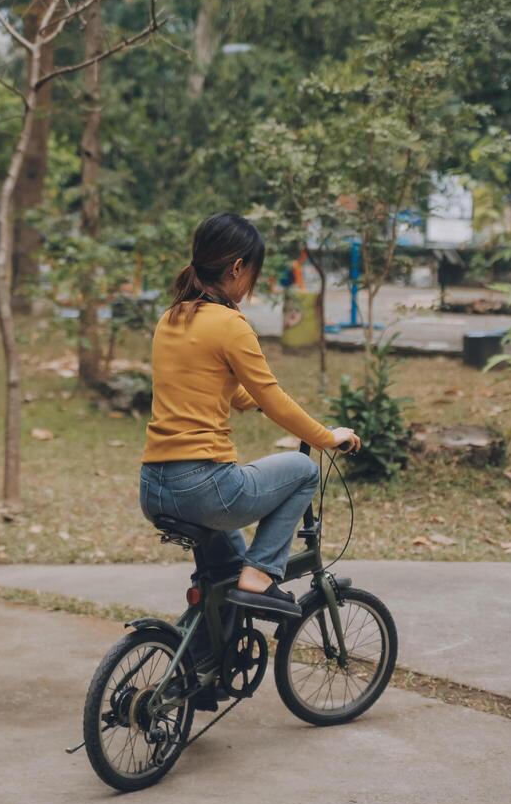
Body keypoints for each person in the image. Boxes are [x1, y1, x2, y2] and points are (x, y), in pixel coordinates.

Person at [139, 213, 360, 699]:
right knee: (301, 470)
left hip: (154, 486)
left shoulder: (172, 318)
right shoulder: (229, 324)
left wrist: (262, 401)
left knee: (223, 576)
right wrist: (326, 436)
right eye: (253, 274)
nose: (252, 284)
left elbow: (235, 392)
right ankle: (263, 576)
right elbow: (273, 396)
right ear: (237, 267)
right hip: (203, 487)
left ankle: (194, 675)